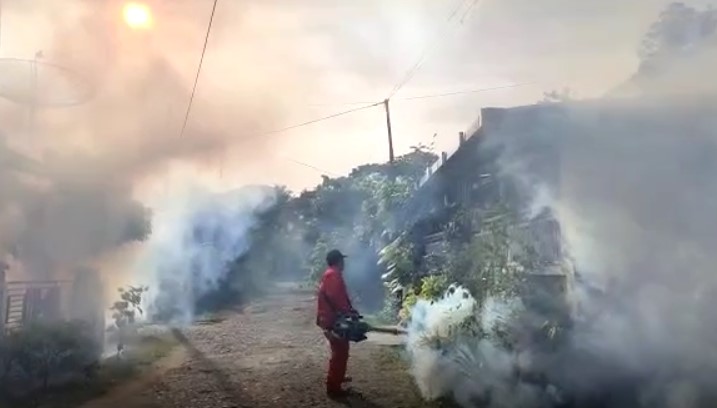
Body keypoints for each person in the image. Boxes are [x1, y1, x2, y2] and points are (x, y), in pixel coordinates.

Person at [316, 249, 357, 399]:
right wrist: (349, 312)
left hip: (330, 317)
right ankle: (333, 387)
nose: (344, 263)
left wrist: (350, 310)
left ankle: (337, 377)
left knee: (340, 350)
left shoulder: (330, 274)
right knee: (340, 352)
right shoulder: (333, 275)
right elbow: (336, 299)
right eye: (342, 260)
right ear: (338, 261)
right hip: (332, 319)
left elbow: (339, 298)